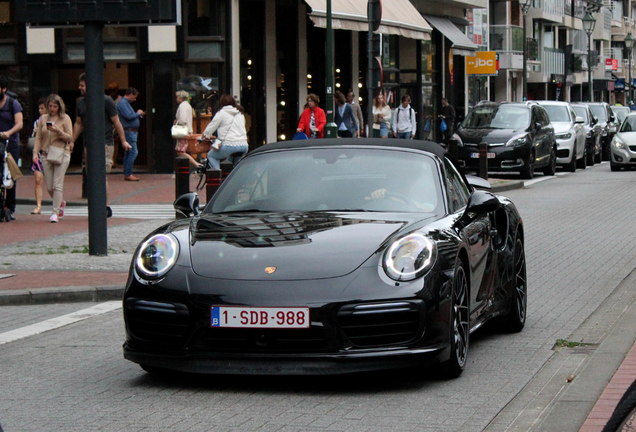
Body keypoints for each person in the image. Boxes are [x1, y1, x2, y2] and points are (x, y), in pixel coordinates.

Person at [72, 73, 131, 218]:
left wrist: (123, 140)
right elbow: (79, 123)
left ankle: (102, 206)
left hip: (105, 143)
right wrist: (72, 141)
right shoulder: (80, 102)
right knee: (91, 175)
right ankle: (96, 205)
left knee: (101, 175)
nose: (79, 88)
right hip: (88, 145)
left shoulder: (106, 101)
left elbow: (116, 122)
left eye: (82, 85)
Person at [32, 94, 74, 223]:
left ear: (59, 107)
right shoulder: (43, 119)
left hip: (62, 153)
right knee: (49, 186)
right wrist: (35, 153)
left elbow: (69, 137)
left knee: (57, 185)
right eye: (50, 106)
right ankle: (59, 202)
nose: (52, 109)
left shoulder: (65, 118)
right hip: (46, 154)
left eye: (55, 106)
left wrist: (58, 131)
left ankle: (55, 212)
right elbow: (38, 137)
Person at [202, 94, 249, 170]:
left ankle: (218, 177)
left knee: (211, 155)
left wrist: (205, 135)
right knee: (234, 168)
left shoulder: (221, 113)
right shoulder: (240, 113)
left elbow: (211, 127)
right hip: (244, 146)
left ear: (221, 103)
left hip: (229, 145)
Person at [0, 75, 24, 220]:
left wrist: (8, 133)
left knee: (10, 175)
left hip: (10, 144)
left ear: (4, 89)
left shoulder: (13, 104)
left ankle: (10, 206)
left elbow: (19, 123)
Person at [117, 87, 145, 181]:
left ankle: (127, 172)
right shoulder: (123, 103)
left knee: (128, 152)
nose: (135, 99)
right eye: (134, 97)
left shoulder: (124, 103)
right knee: (133, 152)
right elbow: (129, 116)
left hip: (131, 130)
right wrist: (138, 113)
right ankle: (128, 173)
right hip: (129, 131)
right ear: (131, 94)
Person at [173, 90, 200, 167]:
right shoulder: (187, 105)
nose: (176, 98)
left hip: (183, 131)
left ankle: (196, 164)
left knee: (180, 151)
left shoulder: (182, 106)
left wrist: (176, 122)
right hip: (187, 130)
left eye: (177, 97)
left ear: (181, 98)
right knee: (183, 150)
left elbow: (183, 119)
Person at [30, 98, 47, 215]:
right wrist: (35, 152)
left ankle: (58, 202)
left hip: (51, 154)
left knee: (52, 184)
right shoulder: (37, 122)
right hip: (40, 153)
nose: (40, 111)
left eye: (42, 108)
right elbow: (35, 138)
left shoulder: (55, 121)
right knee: (38, 179)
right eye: (39, 108)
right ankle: (38, 205)